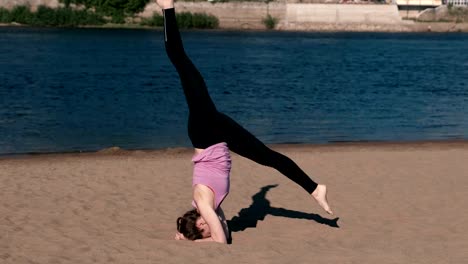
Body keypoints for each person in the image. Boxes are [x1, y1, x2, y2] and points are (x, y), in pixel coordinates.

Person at [155, 0, 333, 244]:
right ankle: (315, 189)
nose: (208, 224)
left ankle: (167, 7)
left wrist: (194, 240)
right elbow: (223, 234)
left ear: (196, 217)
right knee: (268, 157)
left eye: (202, 225)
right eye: (206, 229)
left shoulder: (205, 205)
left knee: (180, 61)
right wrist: (192, 238)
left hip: (207, 132)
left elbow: (220, 241)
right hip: (216, 137)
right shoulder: (210, 210)